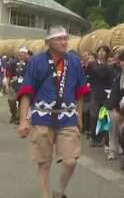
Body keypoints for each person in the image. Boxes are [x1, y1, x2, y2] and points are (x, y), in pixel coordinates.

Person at [16, 26, 91, 198]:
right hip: (42, 116)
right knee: (44, 162)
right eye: (59, 39)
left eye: (66, 38)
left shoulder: (74, 61)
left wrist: (79, 115)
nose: (64, 42)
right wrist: (23, 121)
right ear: (48, 42)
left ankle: (59, 191)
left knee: (71, 161)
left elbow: (80, 92)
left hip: (68, 116)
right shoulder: (37, 61)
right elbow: (27, 92)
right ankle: (45, 195)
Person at [86, 46, 116, 147]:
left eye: (104, 51)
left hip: (105, 92)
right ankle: (93, 137)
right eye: (100, 51)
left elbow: (110, 78)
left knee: (103, 116)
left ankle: (101, 137)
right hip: (95, 91)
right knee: (94, 115)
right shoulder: (92, 64)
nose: (102, 53)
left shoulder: (109, 66)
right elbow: (93, 74)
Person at [4, 46, 29, 124]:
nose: (22, 54)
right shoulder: (13, 63)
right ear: (19, 53)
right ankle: (13, 115)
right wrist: (7, 85)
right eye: (21, 52)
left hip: (24, 86)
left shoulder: (29, 63)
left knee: (22, 103)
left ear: (26, 54)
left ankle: (19, 118)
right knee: (12, 101)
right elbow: (8, 74)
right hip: (13, 85)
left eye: (24, 53)